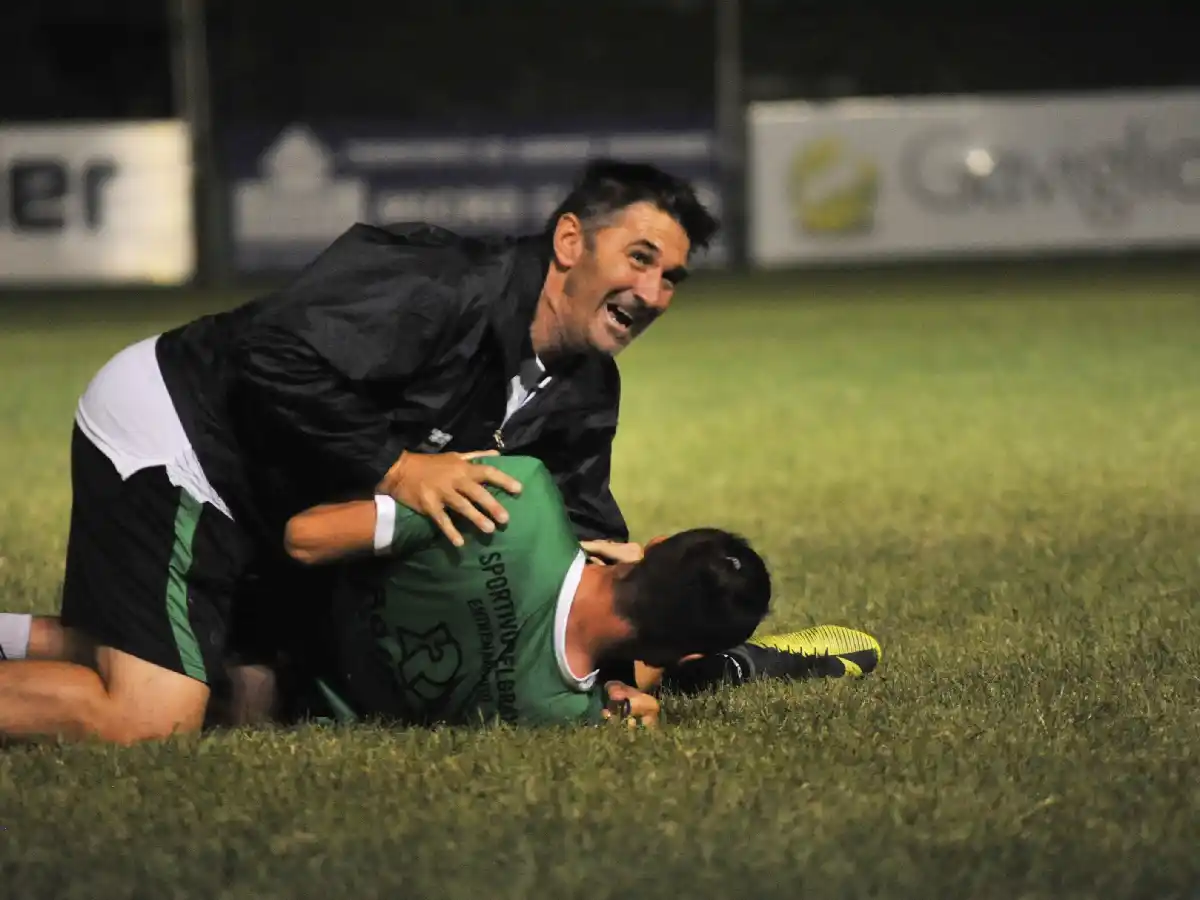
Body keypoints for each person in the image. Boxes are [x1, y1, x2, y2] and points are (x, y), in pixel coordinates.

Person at [0, 159, 719, 744]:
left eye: (671, 279)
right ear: (569, 241)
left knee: (251, 693)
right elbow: (270, 354)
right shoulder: (443, 280)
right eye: (640, 259)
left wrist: (614, 668)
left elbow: (579, 528)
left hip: (272, 492)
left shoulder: (586, 388)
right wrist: (398, 468)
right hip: (184, 431)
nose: (653, 292)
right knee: (152, 718)